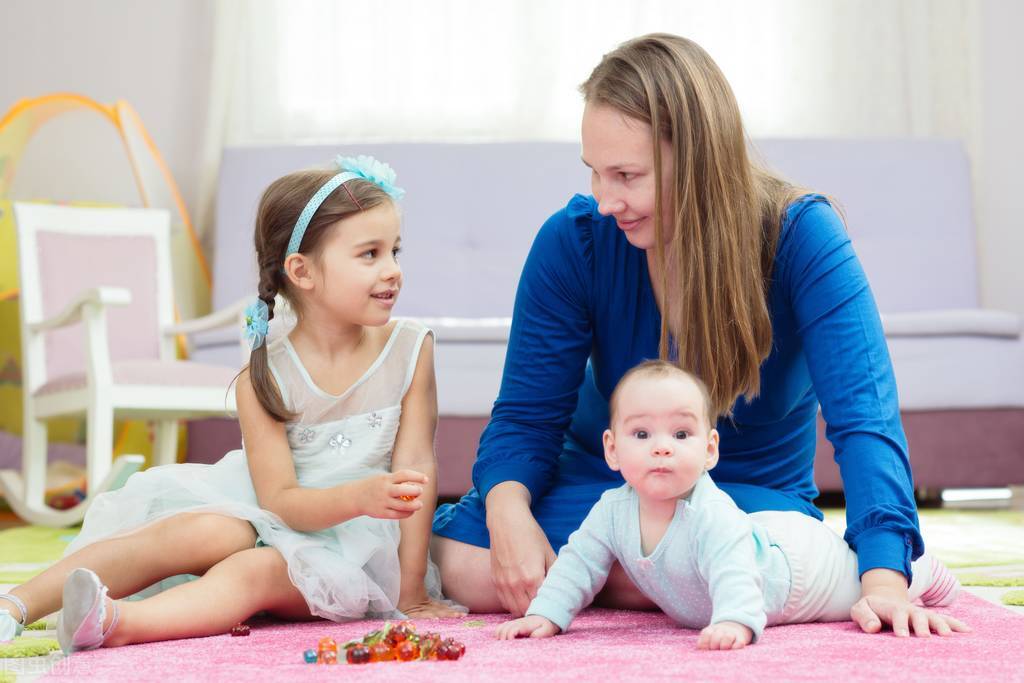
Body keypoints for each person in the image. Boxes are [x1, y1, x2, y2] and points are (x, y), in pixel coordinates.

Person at [432, 33, 968, 638]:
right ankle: (685, 583)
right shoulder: (574, 240)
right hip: (606, 490)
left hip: (747, 501)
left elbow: (865, 416)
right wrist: (508, 514)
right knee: (465, 561)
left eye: (627, 176)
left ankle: (637, 577)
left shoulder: (802, 237)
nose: (606, 200)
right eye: (595, 174)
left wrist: (884, 579)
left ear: (696, 161)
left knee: (731, 552)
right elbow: (527, 416)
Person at [0, 155, 461, 654]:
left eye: (394, 250)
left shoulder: (411, 348)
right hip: (274, 509)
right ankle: (16, 605)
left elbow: (417, 466)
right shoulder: (263, 374)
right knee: (195, 531)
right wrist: (358, 494)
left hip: (355, 551)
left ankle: (115, 621)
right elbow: (279, 500)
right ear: (301, 271)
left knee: (253, 571)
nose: (392, 270)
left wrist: (411, 590)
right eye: (369, 254)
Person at [496, 362, 962, 649]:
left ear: (710, 450)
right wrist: (547, 614)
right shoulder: (610, 511)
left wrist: (737, 620)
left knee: (860, 589)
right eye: (642, 434)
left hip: (797, 576)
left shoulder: (708, 512)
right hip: (765, 533)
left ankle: (929, 571)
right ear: (612, 449)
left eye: (681, 434)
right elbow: (578, 565)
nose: (662, 448)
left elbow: (735, 570)